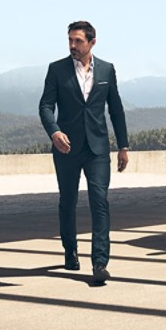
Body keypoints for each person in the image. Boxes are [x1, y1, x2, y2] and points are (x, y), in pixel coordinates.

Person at [39, 21, 129, 284]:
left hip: (98, 148)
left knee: (99, 202)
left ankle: (99, 263)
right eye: (70, 40)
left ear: (92, 42)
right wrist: (54, 132)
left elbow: (116, 110)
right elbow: (45, 106)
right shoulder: (56, 70)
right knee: (67, 202)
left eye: (78, 41)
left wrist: (123, 146)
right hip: (65, 148)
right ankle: (70, 250)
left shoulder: (107, 70)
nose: (72, 46)